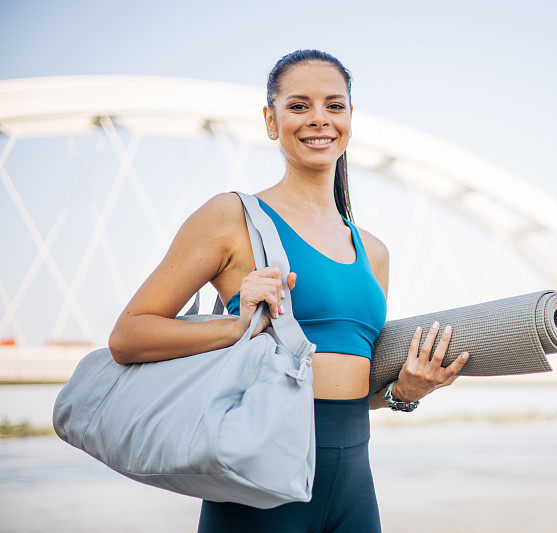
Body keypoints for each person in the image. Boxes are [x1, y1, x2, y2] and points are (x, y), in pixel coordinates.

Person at [107, 49, 471, 532]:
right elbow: (128, 337)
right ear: (270, 120)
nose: (318, 119)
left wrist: (405, 392)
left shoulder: (374, 252)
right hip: (258, 490)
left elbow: (348, 387)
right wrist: (238, 326)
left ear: (349, 118)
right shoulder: (231, 217)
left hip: (354, 489)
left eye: (333, 105)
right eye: (299, 106)